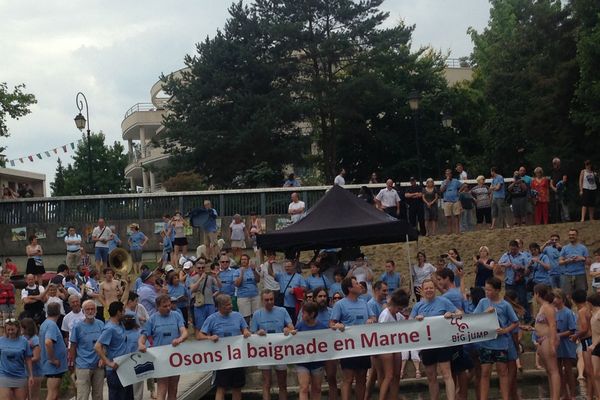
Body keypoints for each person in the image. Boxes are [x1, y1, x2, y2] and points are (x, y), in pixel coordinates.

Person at [410, 279, 461, 400]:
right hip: (427, 345)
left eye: (431, 288)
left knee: (446, 374)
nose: (429, 290)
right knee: (431, 376)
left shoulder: (444, 301)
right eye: (426, 288)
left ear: (435, 289)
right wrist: (416, 318)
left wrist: (451, 314)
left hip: (443, 342)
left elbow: (459, 313)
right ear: (422, 290)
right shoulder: (418, 306)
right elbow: (409, 323)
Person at [329, 277, 376, 400]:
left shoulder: (364, 303)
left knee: (361, 378)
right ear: (350, 288)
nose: (360, 286)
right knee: (348, 379)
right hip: (348, 347)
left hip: (363, 345)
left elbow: (373, 317)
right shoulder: (340, 304)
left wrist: (371, 320)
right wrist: (337, 325)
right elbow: (332, 323)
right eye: (356, 284)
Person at [197, 294, 251, 400]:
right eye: (227, 305)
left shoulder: (238, 316)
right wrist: (210, 338)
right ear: (219, 307)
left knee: (237, 387)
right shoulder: (211, 319)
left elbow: (245, 329)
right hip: (221, 359)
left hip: (237, 357)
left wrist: (245, 332)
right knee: (221, 387)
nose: (230, 306)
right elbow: (200, 335)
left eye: (230, 303)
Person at [473, 277, 519, 400]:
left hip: (501, 343)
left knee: (503, 372)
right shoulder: (483, 302)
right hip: (486, 343)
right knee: (485, 372)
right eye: (486, 290)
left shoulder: (505, 305)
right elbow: (473, 319)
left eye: (490, 290)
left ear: (497, 290)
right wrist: (485, 313)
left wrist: (505, 330)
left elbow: (515, 322)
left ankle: (505, 397)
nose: (487, 292)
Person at [139, 295, 188, 400]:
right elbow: (143, 337)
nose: (168, 308)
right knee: (162, 387)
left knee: (173, 387)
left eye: (169, 305)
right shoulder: (152, 319)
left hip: (175, 356)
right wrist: (141, 345)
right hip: (161, 357)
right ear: (157, 307)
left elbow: (184, 332)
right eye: (165, 306)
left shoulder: (176, 315)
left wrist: (180, 339)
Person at [250, 290, 295, 400]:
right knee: (266, 383)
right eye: (266, 300)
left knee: (282, 384)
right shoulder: (256, 314)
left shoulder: (282, 310)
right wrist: (257, 333)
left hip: (280, 351)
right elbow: (252, 333)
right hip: (264, 352)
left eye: (271, 299)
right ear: (262, 300)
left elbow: (292, 327)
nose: (269, 302)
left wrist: (287, 328)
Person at [95, 301, 133, 400]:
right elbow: (98, 346)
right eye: (123, 311)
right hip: (115, 371)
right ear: (118, 312)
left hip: (125, 367)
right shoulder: (109, 328)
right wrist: (108, 362)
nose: (125, 313)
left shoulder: (120, 324)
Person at [530, 284, 561, 400]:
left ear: (537, 294)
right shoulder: (542, 307)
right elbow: (543, 324)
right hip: (541, 339)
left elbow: (553, 325)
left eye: (534, 294)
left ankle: (556, 397)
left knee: (553, 370)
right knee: (549, 370)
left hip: (548, 339)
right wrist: (533, 328)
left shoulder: (548, 307)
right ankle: (553, 395)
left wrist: (553, 343)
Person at [70, 300, 104, 400]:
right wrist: (75, 364)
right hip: (83, 366)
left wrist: (103, 358)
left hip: (98, 365)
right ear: (83, 311)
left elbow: (105, 344)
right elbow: (73, 346)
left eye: (92, 309)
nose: (90, 311)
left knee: (98, 395)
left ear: (96, 310)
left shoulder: (101, 324)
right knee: (82, 396)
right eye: (87, 309)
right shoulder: (77, 327)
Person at [295, 301, 327, 400]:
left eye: (304, 313)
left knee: (317, 388)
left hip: (317, 362)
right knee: (304, 388)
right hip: (303, 362)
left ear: (312, 314)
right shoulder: (299, 326)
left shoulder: (322, 327)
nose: (302, 315)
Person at [570, 289, 597, 398]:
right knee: (590, 371)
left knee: (589, 371)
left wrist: (576, 336)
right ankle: (590, 395)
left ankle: (595, 394)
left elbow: (585, 328)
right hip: (591, 339)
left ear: (573, 300)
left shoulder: (581, 311)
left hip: (587, 340)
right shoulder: (588, 309)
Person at [552, 289, 577, 399]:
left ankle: (572, 394)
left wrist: (559, 335)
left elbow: (572, 330)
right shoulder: (553, 312)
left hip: (566, 343)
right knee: (557, 370)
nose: (554, 300)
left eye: (556, 298)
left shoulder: (568, 312)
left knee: (568, 369)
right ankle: (563, 393)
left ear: (562, 299)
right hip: (556, 344)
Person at [40, 302, 67, 400]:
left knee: (55, 394)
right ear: (59, 312)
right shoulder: (51, 325)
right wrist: (53, 359)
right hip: (53, 367)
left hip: (53, 368)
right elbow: (48, 342)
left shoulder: (45, 323)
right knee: (52, 394)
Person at [498, 240, 531, 322]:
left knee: (523, 299)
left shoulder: (523, 256)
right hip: (509, 282)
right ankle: (512, 318)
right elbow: (498, 265)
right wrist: (506, 265)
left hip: (520, 281)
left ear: (518, 248)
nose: (512, 251)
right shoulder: (505, 255)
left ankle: (527, 318)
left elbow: (528, 268)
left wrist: (520, 267)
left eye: (514, 249)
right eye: (511, 249)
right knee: (509, 300)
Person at [0, 318, 33, 400]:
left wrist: (31, 375)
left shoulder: (24, 341)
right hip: (4, 375)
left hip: (20, 376)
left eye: (12, 329)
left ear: (17, 329)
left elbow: (28, 359)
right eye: (8, 330)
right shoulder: (1, 341)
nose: (10, 332)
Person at [191, 258, 221, 338]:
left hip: (210, 304)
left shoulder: (210, 278)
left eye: (202, 268)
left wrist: (216, 277)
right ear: (196, 268)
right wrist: (201, 279)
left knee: (211, 324)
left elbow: (219, 288)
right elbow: (192, 289)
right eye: (199, 268)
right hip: (199, 304)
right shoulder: (193, 278)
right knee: (200, 326)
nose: (201, 269)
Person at [271, 260, 306, 325]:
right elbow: (270, 273)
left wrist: (295, 290)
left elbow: (304, 288)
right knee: (284, 322)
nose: (287, 268)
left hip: (294, 305)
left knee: (294, 322)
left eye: (289, 266)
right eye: (286, 267)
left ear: (293, 266)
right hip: (283, 304)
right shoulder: (281, 275)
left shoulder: (299, 277)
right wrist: (270, 264)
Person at [559, 228, 590, 295]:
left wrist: (582, 258)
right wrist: (567, 260)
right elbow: (560, 262)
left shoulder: (583, 248)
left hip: (580, 274)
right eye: (570, 235)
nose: (571, 236)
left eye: (573, 235)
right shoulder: (565, 248)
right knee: (567, 295)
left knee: (581, 295)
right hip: (568, 274)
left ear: (577, 236)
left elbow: (588, 263)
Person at [234, 254, 261, 325]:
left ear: (248, 261)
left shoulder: (252, 269)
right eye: (242, 259)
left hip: (255, 296)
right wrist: (241, 274)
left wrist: (254, 270)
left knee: (256, 316)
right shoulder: (237, 271)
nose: (244, 261)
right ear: (240, 261)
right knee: (246, 318)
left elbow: (258, 280)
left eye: (245, 259)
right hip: (243, 297)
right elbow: (237, 284)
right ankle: (246, 331)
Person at [20, 318, 42, 400]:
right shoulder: (24, 338)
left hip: (35, 372)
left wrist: (23, 361)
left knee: (33, 396)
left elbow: (36, 357)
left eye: (21, 327)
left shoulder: (35, 339)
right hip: (25, 372)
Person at [439, 168, 462, 234]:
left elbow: (464, 185)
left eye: (449, 173)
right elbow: (441, 190)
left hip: (455, 200)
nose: (448, 174)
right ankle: (450, 230)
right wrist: (446, 182)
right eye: (447, 173)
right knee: (448, 216)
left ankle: (457, 230)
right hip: (447, 201)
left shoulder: (456, 181)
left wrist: (459, 191)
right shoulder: (444, 182)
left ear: (451, 174)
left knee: (456, 215)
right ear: (445, 174)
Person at [549, 157, 570, 222]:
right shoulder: (552, 171)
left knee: (564, 204)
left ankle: (567, 218)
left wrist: (559, 187)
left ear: (559, 163)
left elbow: (564, 180)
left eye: (555, 163)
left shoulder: (563, 170)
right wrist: (554, 188)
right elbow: (551, 183)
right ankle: (560, 219)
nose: (554, 164)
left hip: (562, 190)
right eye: (553, 163)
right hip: (555, 191)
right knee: (557, 205)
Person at [588, 293, 600, 398]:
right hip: (595, 346)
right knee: (595, 373)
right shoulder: (593, 313)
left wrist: (594, 344)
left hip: (597, 344)